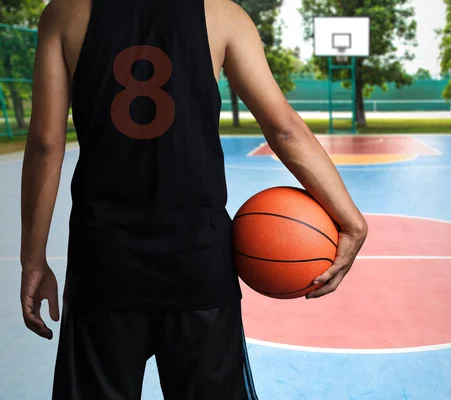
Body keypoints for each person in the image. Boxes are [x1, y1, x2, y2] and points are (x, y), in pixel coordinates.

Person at [19, 0, 368, 398]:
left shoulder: (64, 13)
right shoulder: (222, 14)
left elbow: (46, 144)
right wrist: (351, 219)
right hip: (198, 265)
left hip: (103, 264)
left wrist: (33, 259)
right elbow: (283, 129)